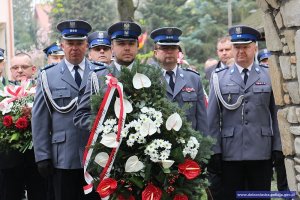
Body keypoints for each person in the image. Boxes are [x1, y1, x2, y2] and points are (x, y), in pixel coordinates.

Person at [207, 25, 282, 199]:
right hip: (229, 153)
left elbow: (276, 114)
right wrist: (214, 150)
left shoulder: (269, 75)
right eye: (237, 47)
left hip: (261, 151)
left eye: (246, 46)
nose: (241, 51)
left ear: (255, 47)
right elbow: (212, 118)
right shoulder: (219, 77)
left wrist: (278, 147)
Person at [31, 19, 100, 200]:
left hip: (96, 156)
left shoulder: (101, 73)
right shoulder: (48, 76)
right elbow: (39, 118)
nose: (74, 48)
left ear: (86, 45)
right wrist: (42, 156)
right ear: (62, 45)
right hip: (63, 157)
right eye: (70, 43)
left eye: (79, 43)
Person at [74, 21, 141, 131]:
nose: (127, 48)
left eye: (131, 43)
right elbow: (81, 116)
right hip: (108, 144)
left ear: (137, 46)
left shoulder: (149, 76)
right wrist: (107, 126)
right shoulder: (97, 77)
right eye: (121, 43)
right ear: (112, 47)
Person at [0, 52, 46, 200]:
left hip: (37, 159)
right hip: (9, 161)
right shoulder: (3, 91)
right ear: (10, 70)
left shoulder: (42, 89)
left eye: (24, 67)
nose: (19, 70)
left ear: (33, 69)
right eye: (15, 67)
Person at [150, 27, 207, 134]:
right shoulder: (148, 79)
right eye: (164, 48)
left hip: (190, 144)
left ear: (178, 52)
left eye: (173, 47)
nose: (169, 51)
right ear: (155, 53)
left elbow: (202, 119)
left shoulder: (194, 79)